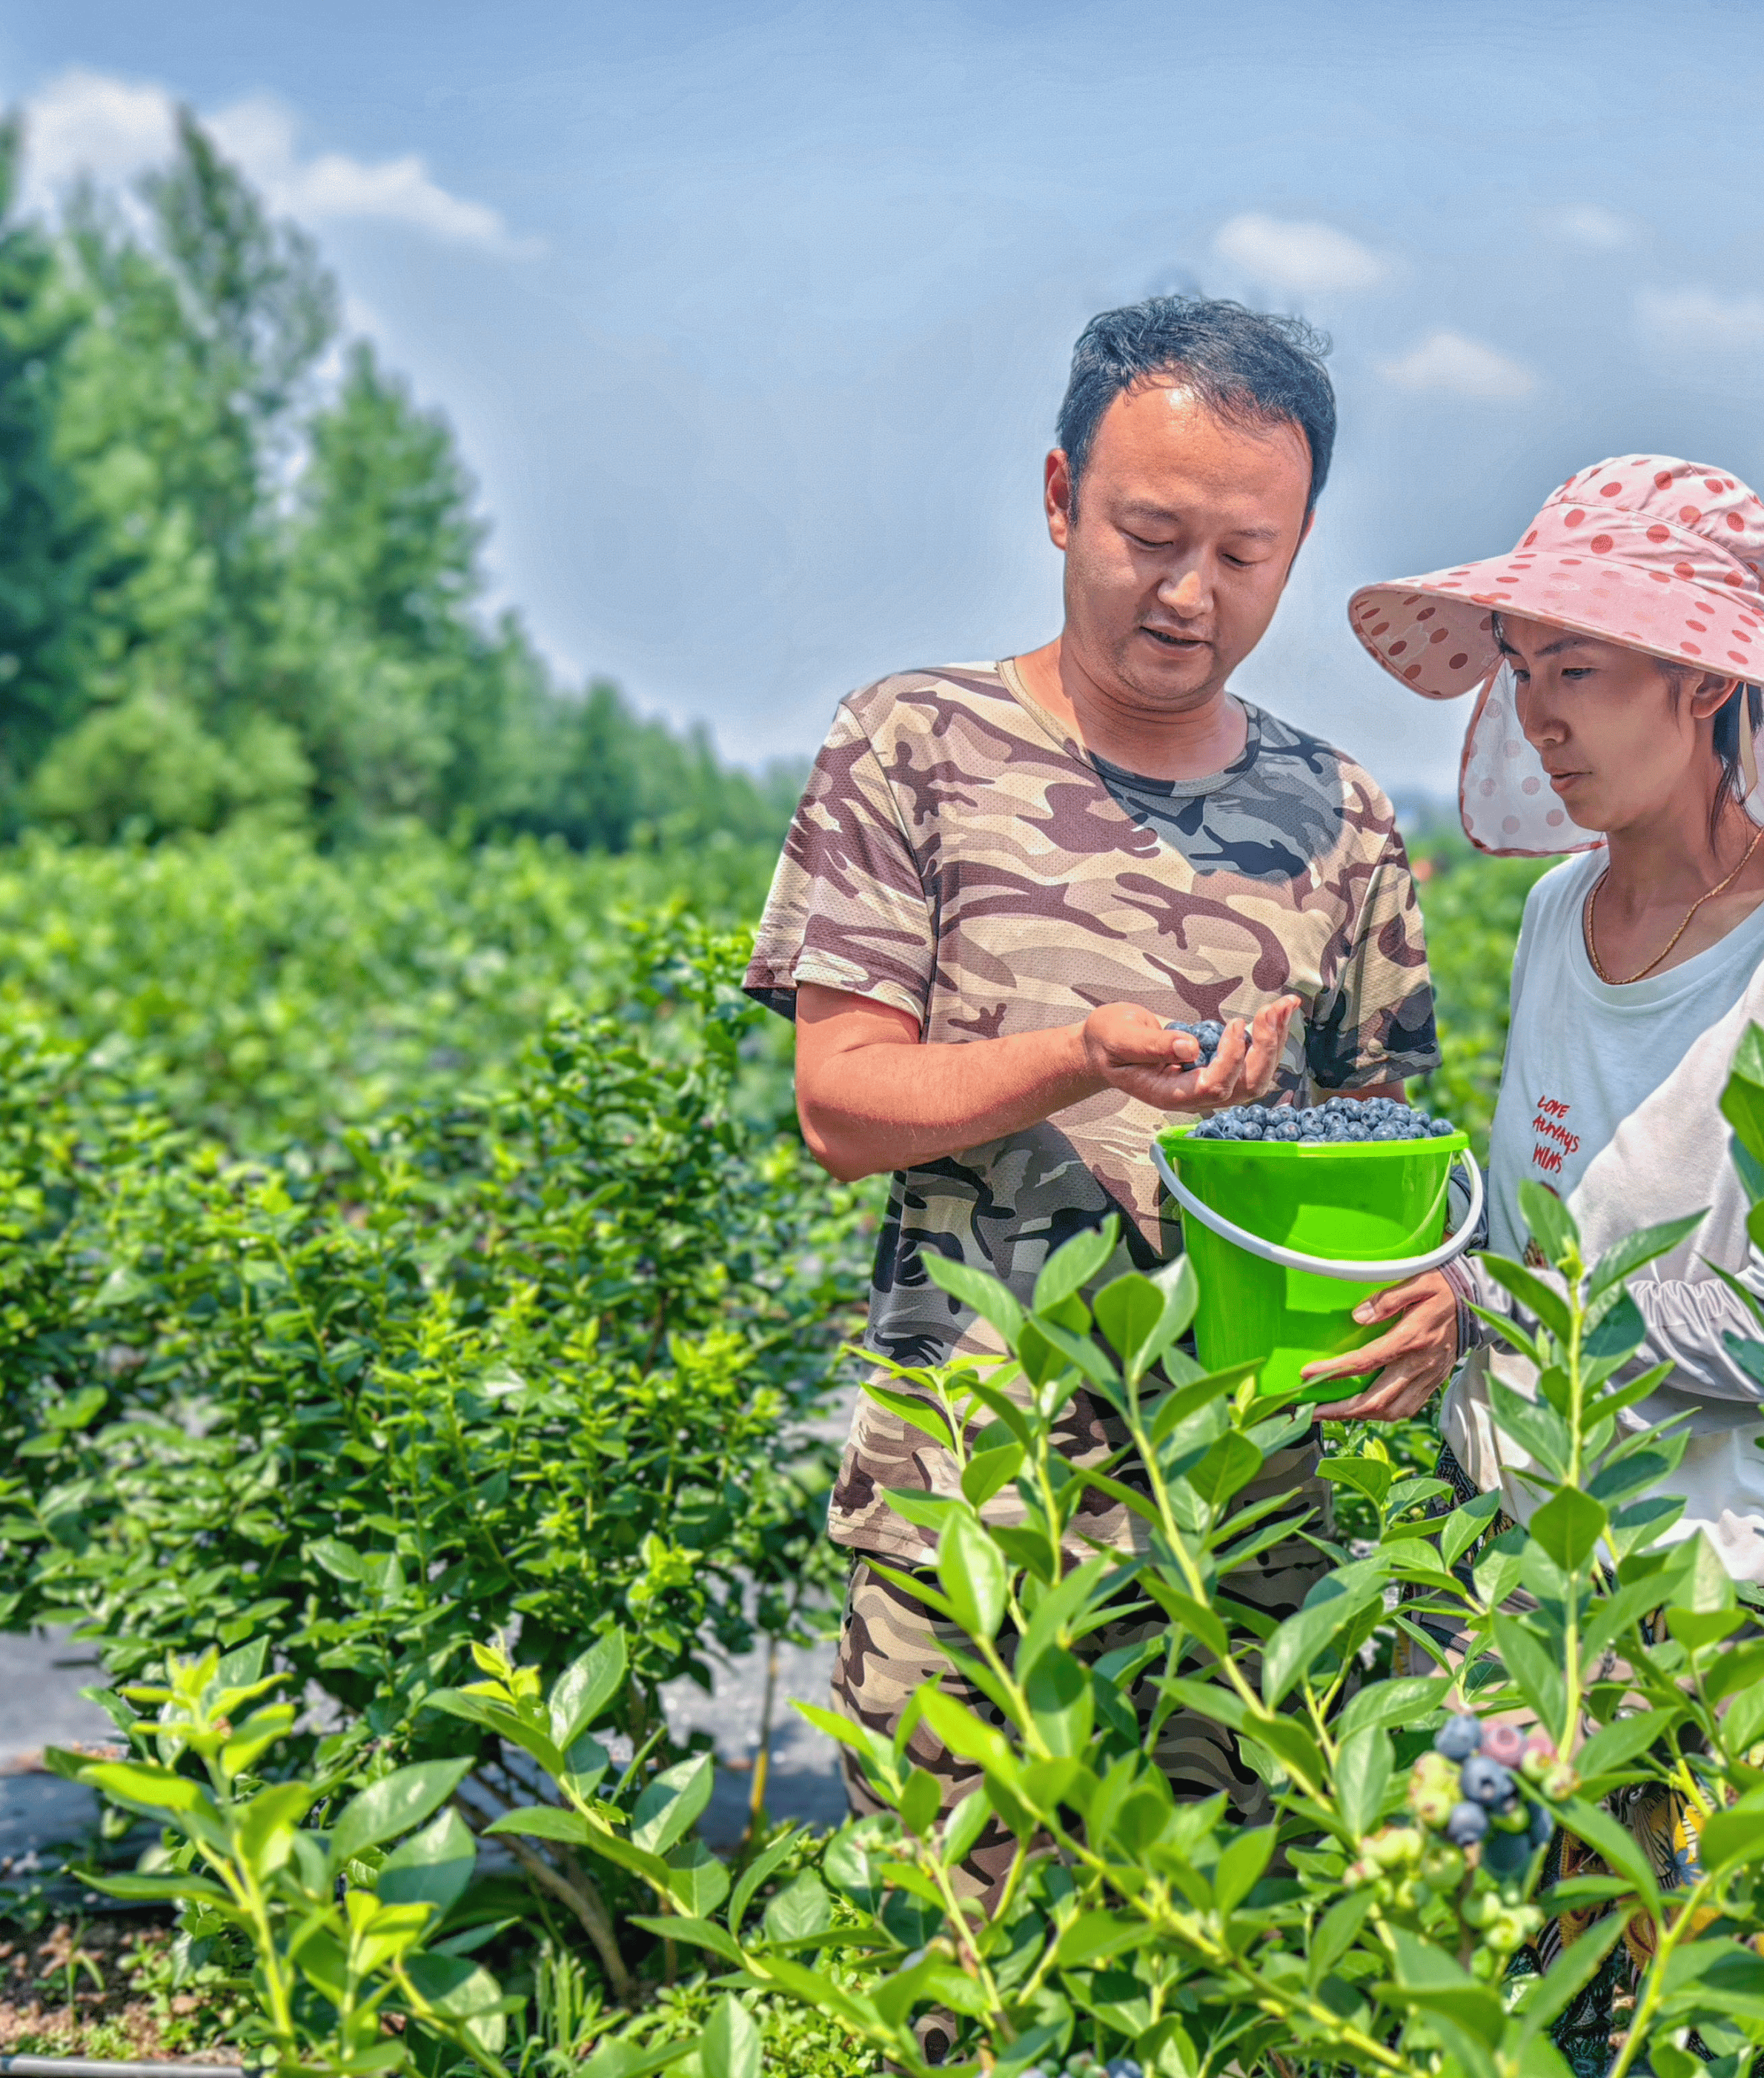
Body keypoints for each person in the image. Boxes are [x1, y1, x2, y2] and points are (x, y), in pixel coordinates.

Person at [741, 297, 1447, 1870]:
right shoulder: (913, 745)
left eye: (1246, 554)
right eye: (1149, 534)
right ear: (1060, 499)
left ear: (1302, 544)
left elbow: (1402, 1152)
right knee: (963, 1987)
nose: (1192, 594)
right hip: (972, 1526)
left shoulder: (1338, 813)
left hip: (1245, 1531)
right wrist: (1078, 1055)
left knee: (1235, 1977)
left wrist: (1434, 1295)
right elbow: (841, 1102)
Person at [1312, 454, 1764, 1585]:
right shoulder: (1560, 912)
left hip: (1711, 1605)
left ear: (1700, 683)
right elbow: (1548, 1210)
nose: (1538, 717)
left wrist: (1484, 1298)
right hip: (1514, 1547)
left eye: (1578, 669)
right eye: (1520, 669)